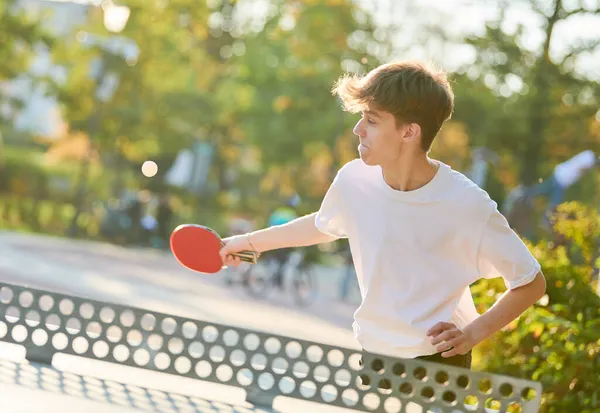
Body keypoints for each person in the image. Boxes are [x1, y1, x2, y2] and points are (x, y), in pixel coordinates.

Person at [219, 61, 546, 370]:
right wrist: (246, 244)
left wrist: (473, 333)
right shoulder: (354, 179)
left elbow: (530, 281)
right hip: (374, 353)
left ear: (409, 132)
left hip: (439, 362)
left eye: (372, 120)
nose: (358, 129)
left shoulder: (467, 204)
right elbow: (323, 225)